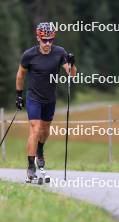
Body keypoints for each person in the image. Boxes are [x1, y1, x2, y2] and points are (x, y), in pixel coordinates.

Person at [16, 22, 77, 182]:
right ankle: (30, 166)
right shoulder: (29, 55)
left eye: (50, 40)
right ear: (38, 38)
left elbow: (72, 75)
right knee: (35, 130)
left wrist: (72, 63)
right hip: (33, 98)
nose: (48, 43)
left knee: (45, 131)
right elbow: (20, 75)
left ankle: (40, 151)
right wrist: (19, 95)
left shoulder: (59, 52)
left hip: (50, 99)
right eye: (44, 40)